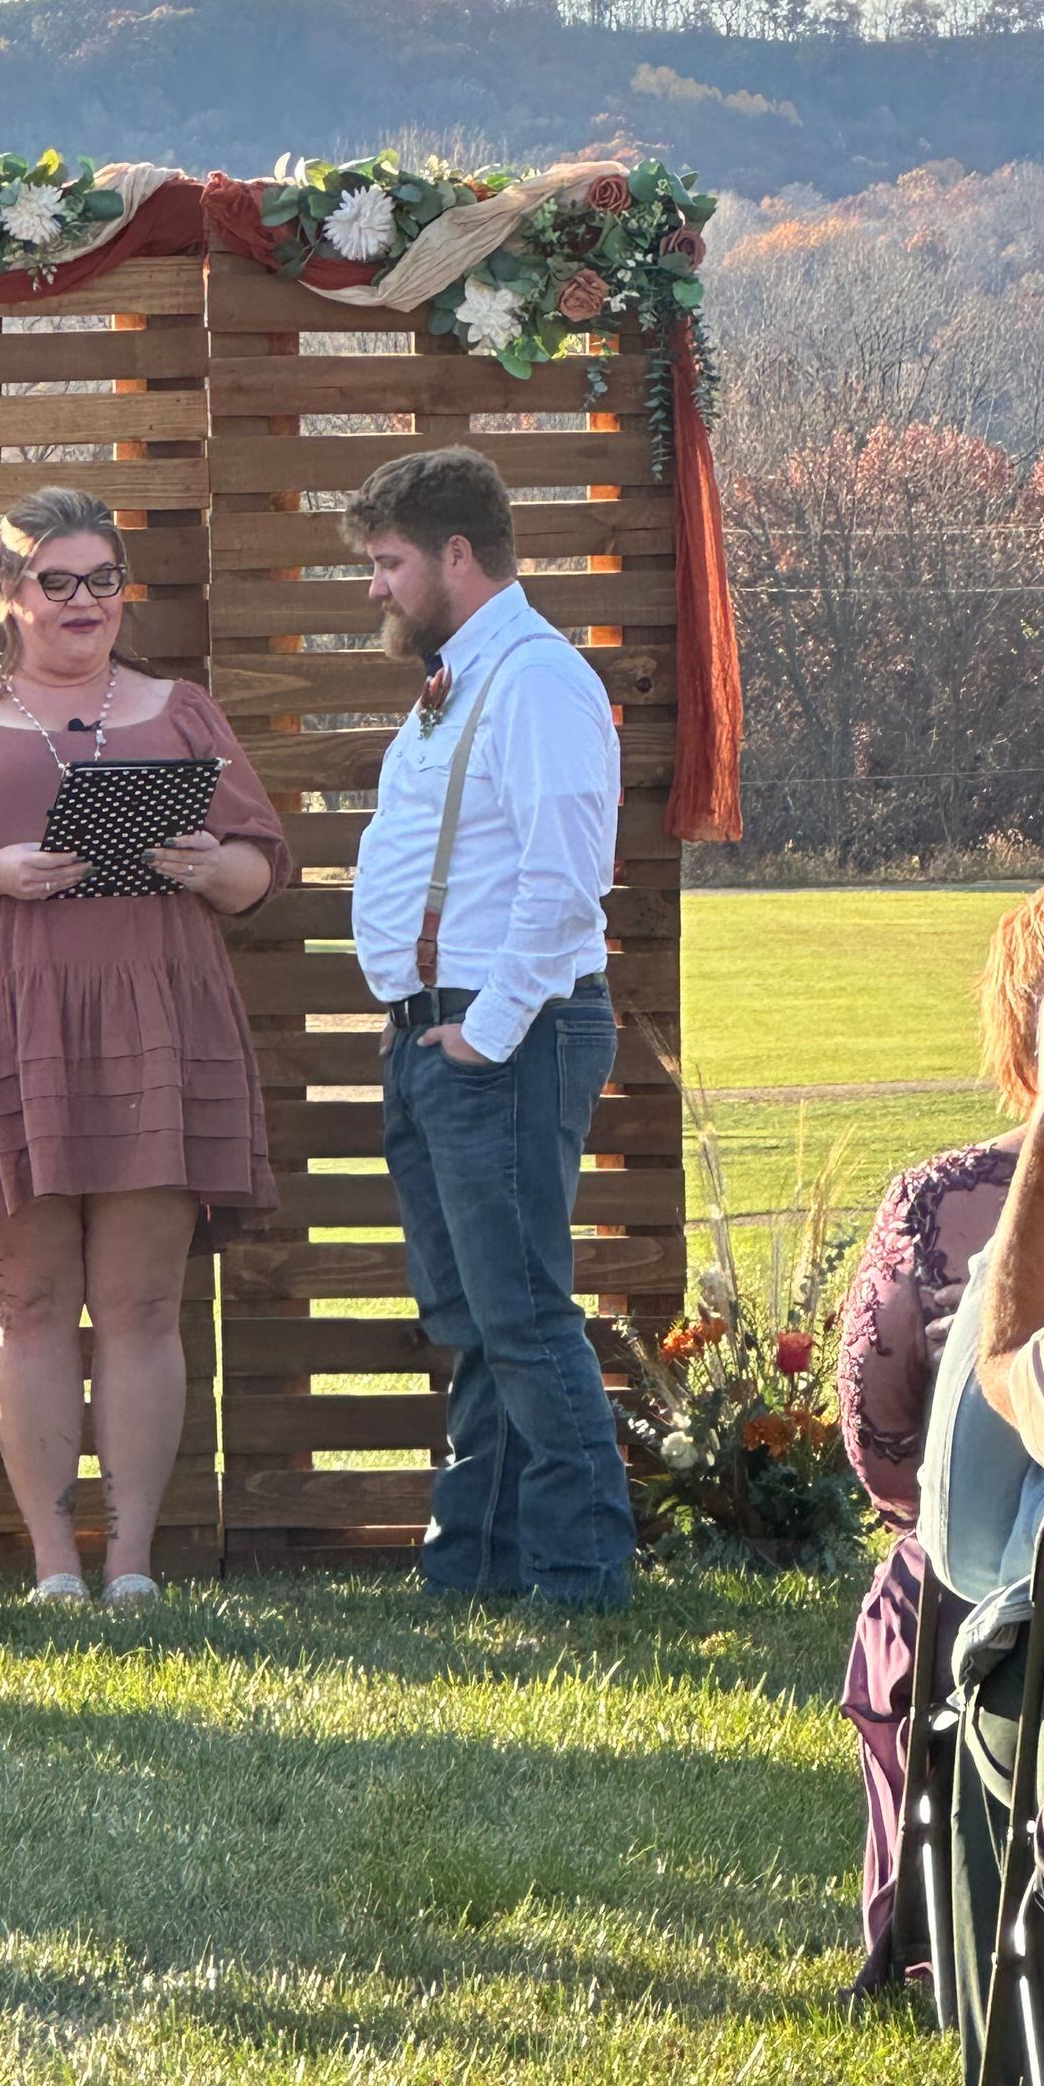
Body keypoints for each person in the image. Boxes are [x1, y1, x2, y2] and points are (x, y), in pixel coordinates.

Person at [0, 486, 289, 1606]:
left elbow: (254, 876)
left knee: (143, 1303)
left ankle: (133, 1565)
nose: (86, 600)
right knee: (33, 1303)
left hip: (154, 1021)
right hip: (5, 1026)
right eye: (60, 581)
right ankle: (55, 1569)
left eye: (105, 580)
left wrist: (202, 860)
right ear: (7, 593)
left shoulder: (180, 709)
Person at [344, 446, 634, 1608]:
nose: (375, 587)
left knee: (519, 1310)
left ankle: (580, 1578)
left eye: (389, 562)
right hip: (438, 1030)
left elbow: (568, 876)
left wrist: (491, 1028)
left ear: (456, 556)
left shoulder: (538, 679)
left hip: (502, 1031)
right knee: (472, 1313)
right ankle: (474, 1567)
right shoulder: (463, 675)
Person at [837, 883, 1044, 1990]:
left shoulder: (946, 1198)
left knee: (912, 1592)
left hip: (996, 1584)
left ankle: (927, 1932)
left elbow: (881, 1437)